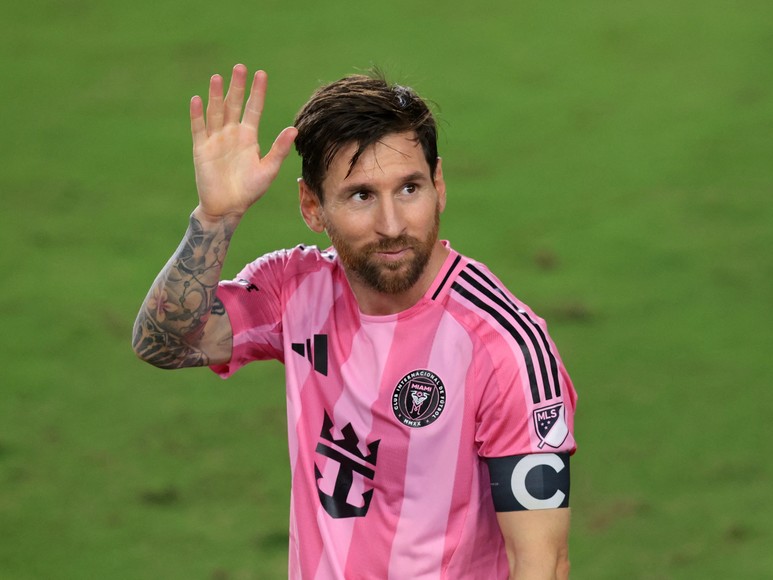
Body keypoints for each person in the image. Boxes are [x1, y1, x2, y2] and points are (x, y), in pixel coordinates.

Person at [132, 63, 577, 580]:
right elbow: (162, 343)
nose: (392, 225)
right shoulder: (294, 289)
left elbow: (542, 563)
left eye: (409, 189)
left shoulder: (507, 349)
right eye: (362, 195)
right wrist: (215, 219)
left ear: (439, 185)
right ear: (312, 206)